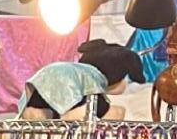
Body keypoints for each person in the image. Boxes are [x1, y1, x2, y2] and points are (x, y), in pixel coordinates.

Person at [17, 38, 146, 121]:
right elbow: (102, 112)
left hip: (37, 89)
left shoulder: (76, 70)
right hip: (69, 101)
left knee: (38, 118)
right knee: (114, 113)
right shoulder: (91, 79)